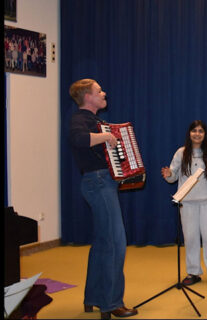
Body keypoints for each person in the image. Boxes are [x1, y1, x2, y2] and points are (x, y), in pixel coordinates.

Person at [68, 78, 138, 319]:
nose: (104, 93)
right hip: (97, 182)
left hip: (102, 181)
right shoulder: (79, 119)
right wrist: (105, 137)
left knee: (102, 243)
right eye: (99, 91)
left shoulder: (96, 121)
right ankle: (111, 303)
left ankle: (93, 298)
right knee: (115, 244)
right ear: (87, 96)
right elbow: (78, 139)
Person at [161, 120, 207, 287]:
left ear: (205, 134)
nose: (197, 134)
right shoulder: (181, 153)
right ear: (189, 133)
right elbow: (173, 176)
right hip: (188, 203)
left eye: (200, 131)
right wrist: (168, 174)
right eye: (194, 131)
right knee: (190, 238)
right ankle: (193, 272)